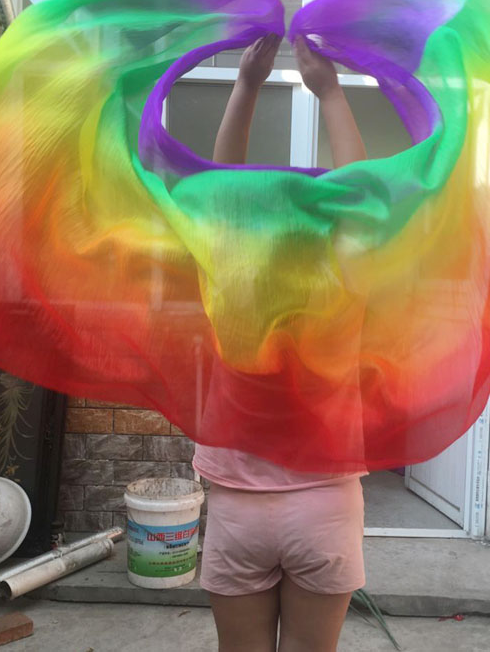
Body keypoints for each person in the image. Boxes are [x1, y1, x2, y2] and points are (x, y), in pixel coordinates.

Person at [194, 34, 368, 652]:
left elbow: (222, 191)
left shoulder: (233, 289)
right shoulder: (340, 290)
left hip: (238, 508)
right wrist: (331, 92)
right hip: (325, 507)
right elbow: (357, 198)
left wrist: (246, 84)